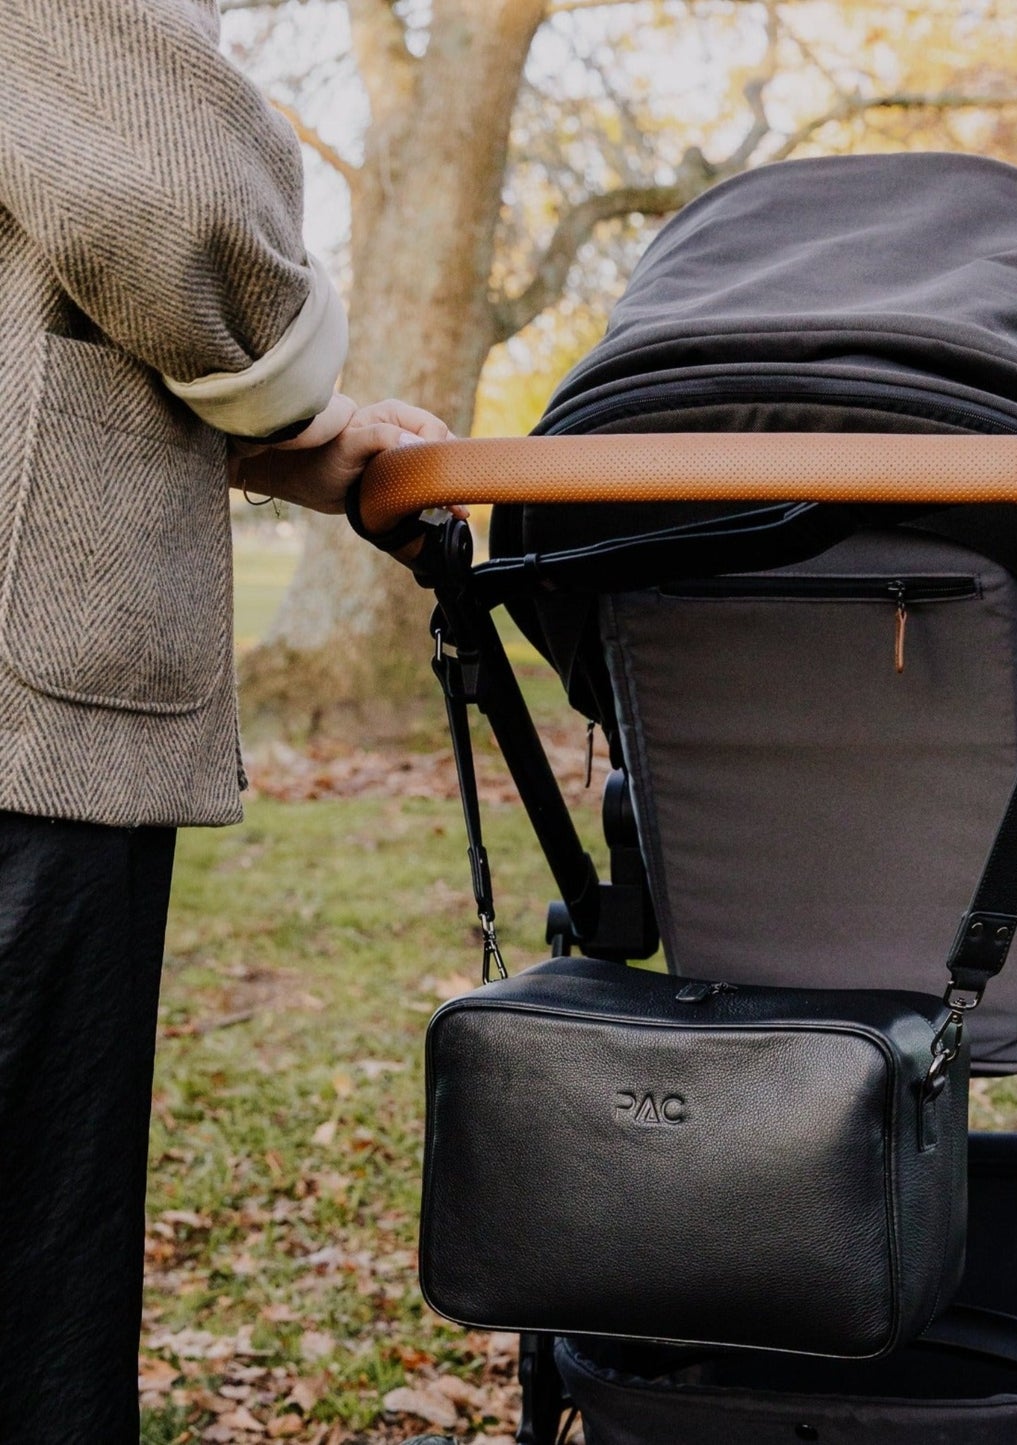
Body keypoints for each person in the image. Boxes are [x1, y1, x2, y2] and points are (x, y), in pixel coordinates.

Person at [0, 1, 449, 1436]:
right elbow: (164, 187)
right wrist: (282, 384)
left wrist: (268, 450)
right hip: (21, 715)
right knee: (27, 1271)